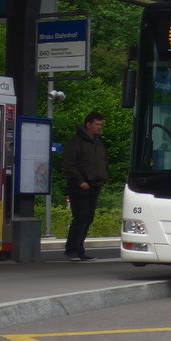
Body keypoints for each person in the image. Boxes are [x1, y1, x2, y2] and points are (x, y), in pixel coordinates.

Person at [63, 111, 108, 262]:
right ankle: (72, 250)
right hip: (81, 185)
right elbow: (69, 164)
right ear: (88, 124)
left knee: (88, 218)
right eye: (97, 124)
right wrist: (80, 181)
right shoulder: (76, 142)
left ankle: (79, 250)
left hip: (95, 184)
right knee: (81, 217)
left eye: (100, 125)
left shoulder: (98, 142)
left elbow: (101, 162)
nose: (99, 127)